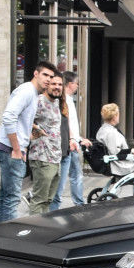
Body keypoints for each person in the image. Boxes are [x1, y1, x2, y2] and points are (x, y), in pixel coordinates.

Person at [0, 60, 56, 223]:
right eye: (45, 75)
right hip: (11, 150)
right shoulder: (26, 91)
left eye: (51, 76)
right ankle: (9, 239)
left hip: (9, 148)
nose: (48, 80)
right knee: (12, 199)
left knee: (5, 198)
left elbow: (19, 118)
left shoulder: (32, 93)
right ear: (36, 73)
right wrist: (16, 148)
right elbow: (8, 118)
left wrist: (31, 131)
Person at [50, 70, 91, 211]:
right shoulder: (63, 101)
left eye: (59, 84)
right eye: (77, 83)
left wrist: (77, 138)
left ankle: (77, 202)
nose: (78, 87)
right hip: (67, 145)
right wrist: (75, 140)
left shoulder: (66, 101)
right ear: (70, 84)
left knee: (68, 177)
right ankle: (79, 203)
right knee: (73, 176)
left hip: (70, 143)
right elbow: (65, 124)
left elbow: (69, 125)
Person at [26, 72, 63, 214]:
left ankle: (43, 230)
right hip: (42, 157)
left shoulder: (57, 102)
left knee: (48, 199)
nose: (57, 87)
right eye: (54, 84)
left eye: (60, 84)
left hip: (55, 157)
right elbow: (21, 118)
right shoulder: (38, 101)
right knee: (39, 199)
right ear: (47, 85)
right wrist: (34, 132)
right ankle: (34, 231)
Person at [95, 102, 134, 177]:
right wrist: (131, 151)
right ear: (114, 116)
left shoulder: (102, 130)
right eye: (118, 114)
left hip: (115, 163)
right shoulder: (111, 133)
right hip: (119, 165)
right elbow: (115, 152)